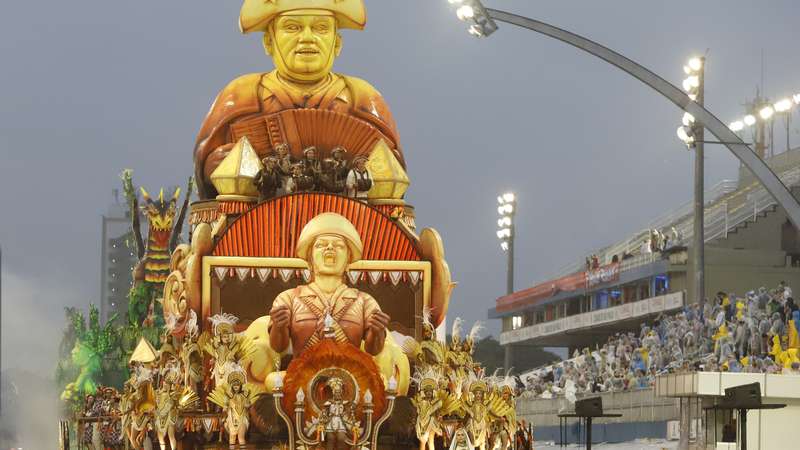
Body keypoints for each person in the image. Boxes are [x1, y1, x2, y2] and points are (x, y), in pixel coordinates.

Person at [194, 0, 403, 199]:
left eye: (321, 28)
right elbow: (208, 165)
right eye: (292, 27)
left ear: (337, 43)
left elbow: (393, 172)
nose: (307, 38)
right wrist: (233, 163)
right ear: (269, 41)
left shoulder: (364, 98)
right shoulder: (241, 94)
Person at [268, 213, 390, 358]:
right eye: (321, 245)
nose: (330, 248)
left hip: (350, 376)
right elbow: (278, 347)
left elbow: (374, 350)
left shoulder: (364, 301)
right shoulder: (288, 298)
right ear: (310, 258)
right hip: (302, 376)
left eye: (339, 246)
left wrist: (377, 331)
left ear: (348, 260)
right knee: (272, 380)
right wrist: (279, 326)